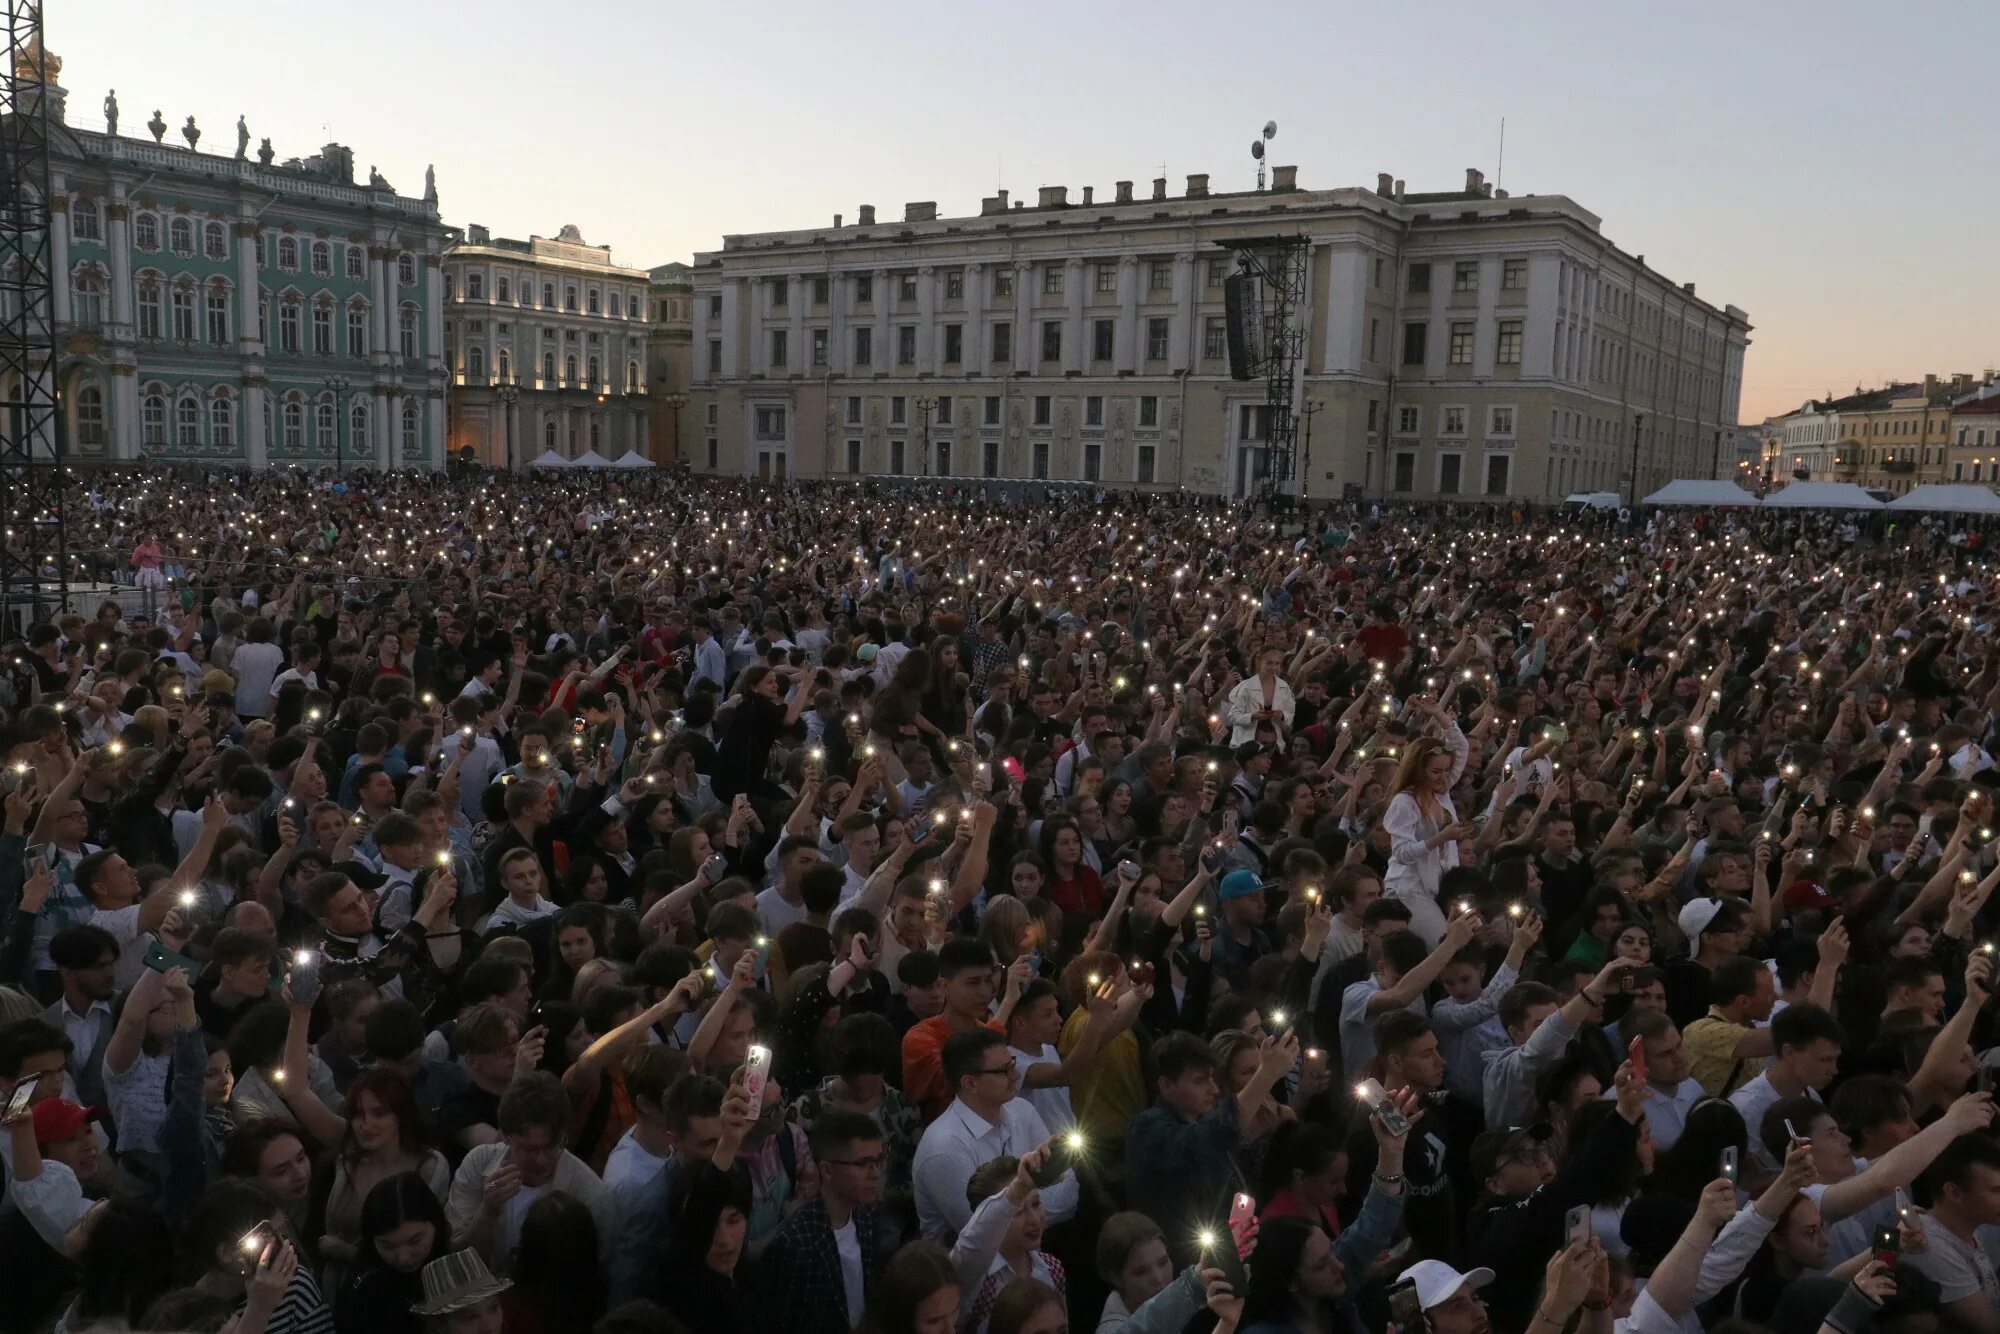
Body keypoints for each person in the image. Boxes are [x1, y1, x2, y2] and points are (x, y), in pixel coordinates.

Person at [912, 1028, 1077, 1244]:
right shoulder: (944, 1148)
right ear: (970, 1083)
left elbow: (1069, 1192)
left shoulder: (1021, 1110)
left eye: (1013, 1064)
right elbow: (985, 1231)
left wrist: (1020, 1203)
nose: (1015, 1075)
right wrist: (1033, 1191)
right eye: (1004, 1070)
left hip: (1034, 1251)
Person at [443, 1072, 615, 1275]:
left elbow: (596, 1272)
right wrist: (487, 1213)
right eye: (530, 1149)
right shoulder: (478, 1165)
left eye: (552, 1146)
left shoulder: (590, 1196)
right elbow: (456, 1260)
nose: (541, 1160)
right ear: (506, 1137)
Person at [763, 1109, 890, 1334]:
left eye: (877, 1161)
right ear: (827, 1170)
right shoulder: (795, 1245)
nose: (875, 1174)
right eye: (863, 1163)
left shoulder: (868, 1216)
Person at [334, 1172, 454, 1334]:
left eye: (415, 1241)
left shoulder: (452, 1265)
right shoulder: (365, 1293)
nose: (403, 1258)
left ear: (435, 1224)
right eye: (388, 1246)